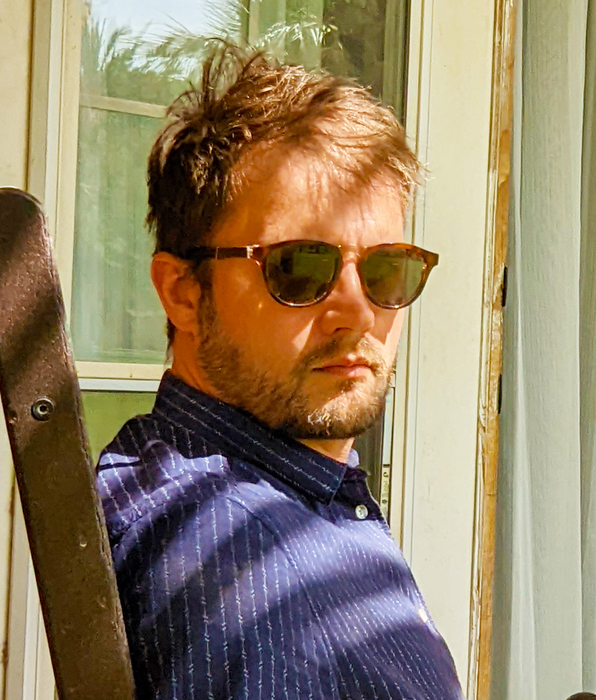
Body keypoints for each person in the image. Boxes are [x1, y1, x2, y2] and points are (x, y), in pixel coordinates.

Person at [96, 44, 463, 700]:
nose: (357, 311)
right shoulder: (236, 560)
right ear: (183, 292)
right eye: (299, 267)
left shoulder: (280, 493)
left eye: (387, 269)